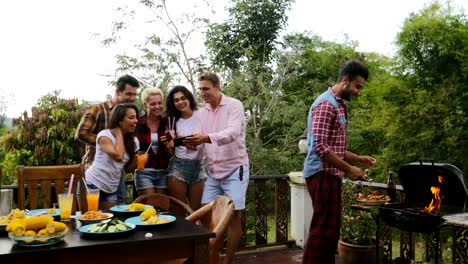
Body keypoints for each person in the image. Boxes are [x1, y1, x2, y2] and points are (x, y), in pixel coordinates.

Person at [302, 59, 376, 264]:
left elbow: (335, 147)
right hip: (321, 173)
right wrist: (349, 169)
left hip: (330, 173)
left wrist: (357, 159)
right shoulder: (326, 104)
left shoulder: (339, 105)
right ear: (345, 80)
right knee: (322, 230)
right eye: (357, 86)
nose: (359, 92)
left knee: (331, 230)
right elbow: (321, 148)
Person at [184, 72, 249, 264]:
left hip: (235, 168)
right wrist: (191, 144)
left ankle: (227, 261)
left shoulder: (234, 105)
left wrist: (204, 138)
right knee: (207, 217)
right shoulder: (202, 113)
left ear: (217, 86)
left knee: (233, 218)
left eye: (206, 88)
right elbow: (203, 141)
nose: (202, 93)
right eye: (200, 89)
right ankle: (211, 258)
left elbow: (233, 133)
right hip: (213, 172)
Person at [76, 74, 140, 169]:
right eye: (129, 94)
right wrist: (107, 144)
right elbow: (81, 133)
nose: (132, 98)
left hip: (118, 170)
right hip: (96, 169)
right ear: (118, 91)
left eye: (134, 95)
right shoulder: (98, 109)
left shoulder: (131, 113)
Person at [84, 104, 139, 210]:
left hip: (111, 188)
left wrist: (137, 161)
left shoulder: (134, 141)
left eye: (136, 117)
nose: (136, 120)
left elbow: (126, 169)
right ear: (119, 120)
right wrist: (119, 135)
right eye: (131, 117)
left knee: (108, 220)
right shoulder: (105, 136)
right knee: (91, 220)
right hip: (92, 184)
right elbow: (118, 157)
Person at [165, 85, 206, 214]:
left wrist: (191, 140)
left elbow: (211, 137)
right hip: (179, 167)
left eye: (183, 98)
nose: (180, 102)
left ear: (189, 98)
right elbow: (170, 151)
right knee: (179, 212)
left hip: (199, 167)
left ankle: (195, 235)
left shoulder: (202, 114)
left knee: (196, 213)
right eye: (176, 100)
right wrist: (170, 143)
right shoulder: (172, 121)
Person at [134, 87, 172, 195]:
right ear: (145, 104)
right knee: (150, 205)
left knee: (161, 207)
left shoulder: (167, 123)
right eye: (153, 104)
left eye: (159, 103)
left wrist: (168, 145)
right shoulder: (138, 123)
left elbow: (171, 154)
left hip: (163, 171)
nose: (157, 107)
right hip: (144, 172)